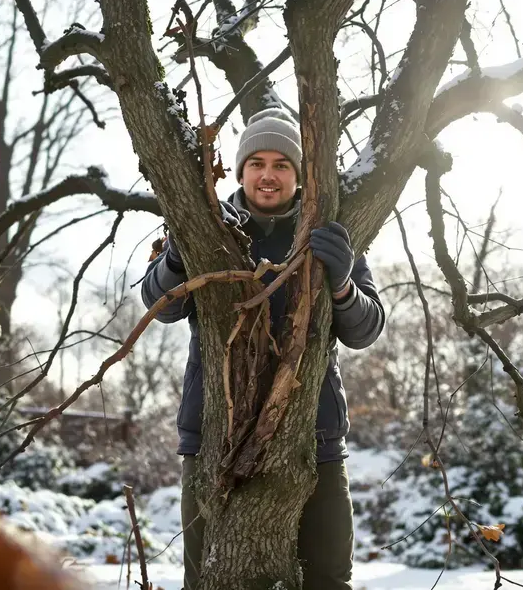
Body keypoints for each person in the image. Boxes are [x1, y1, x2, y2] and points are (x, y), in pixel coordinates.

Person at [140, 108, 386, 590]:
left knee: (329, 580)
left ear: (298, 176)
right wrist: (179, 253)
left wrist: (342, 285)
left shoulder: (331, 233)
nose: (268, 175)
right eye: (257, 163)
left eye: (281, 164)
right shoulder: (207, 225)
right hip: (214, 439)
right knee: (208, 581)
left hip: (314, 441)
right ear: (240, 170)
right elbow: (159, 306)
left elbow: (366, 329)